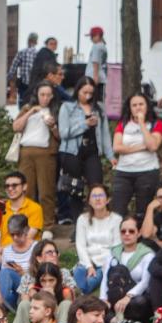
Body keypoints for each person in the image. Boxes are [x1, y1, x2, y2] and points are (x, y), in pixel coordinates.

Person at [58, 76, 113, 221]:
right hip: (72, 152)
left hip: (92, 152)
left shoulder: (99, 108)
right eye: (84, 92)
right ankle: (78, 224)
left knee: (97, 186)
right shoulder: (67, 107)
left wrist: (111, 156)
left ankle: (97, 219)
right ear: (77, 91)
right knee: (76, 190)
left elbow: (105, 134)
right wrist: (85, 124)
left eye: (91, 93)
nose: (88, 96)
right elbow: (64, 133)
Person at [12, 81, 60, 231]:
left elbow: (60, 137)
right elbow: (16, 127)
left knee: (46, 191)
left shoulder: (55, 110)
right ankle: (26, 225)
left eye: (48, 95)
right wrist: (31, 112)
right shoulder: (27, 108)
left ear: (52, 96)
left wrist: (52, 126)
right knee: (27, 190)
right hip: (26, 152)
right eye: (42, 95)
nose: (45, 98)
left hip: (46, 153)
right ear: (37, 95)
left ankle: (47, 227)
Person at [111, 92, 162, 219]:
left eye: (141, 104)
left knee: (143, 212)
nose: (138, 107)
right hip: (123, 171)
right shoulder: (123, 124)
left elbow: (152, 146)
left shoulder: (157, 124)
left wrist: (141, 123)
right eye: (134, 105)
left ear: (147, 106)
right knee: (117, 211)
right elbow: (117, 147)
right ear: (129, 108)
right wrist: (141, 147)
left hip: (147, 171)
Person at [100, 215, 155, 323]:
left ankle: (111, 319)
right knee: (93, 303)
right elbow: (105, 278)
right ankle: (118, 321)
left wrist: (127, 297)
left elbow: (145, 282)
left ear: (138, 233)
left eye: (131, 231)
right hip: (114, 297)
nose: (127, 234)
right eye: (123, 231)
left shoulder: (147, 254)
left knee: (140, 303)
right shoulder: (113, 253)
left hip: (134, 299)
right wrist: (103, 299)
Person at [72, 184, 122, 295]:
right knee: (79, 271)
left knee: (90, 282)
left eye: (101, 195)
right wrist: (89, 266)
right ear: (89, 201)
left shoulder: (116, 219)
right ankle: (78, 285)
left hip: (105, 264)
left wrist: (107, 265)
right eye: (94, 196)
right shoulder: (82, 219)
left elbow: (117, 246)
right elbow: (80, 245)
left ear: (108, 199)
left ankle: (80, 290)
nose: (98, 198)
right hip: (86, 262)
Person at [0, 215, 35, 310]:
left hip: (32, 287)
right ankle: (0, 306)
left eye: (18, 234)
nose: (15, 238)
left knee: (6, 272)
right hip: (15, 292)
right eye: (12, 235)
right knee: (5, 272)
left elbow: (41, 275)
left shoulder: (36, 248)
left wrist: (22, 273)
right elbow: (4, 280)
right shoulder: (7, 250)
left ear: (26, 230)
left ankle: (0, 307)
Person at [0, 171, 43, 246]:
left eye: (14, 185)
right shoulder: (1, 207)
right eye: (7, 186)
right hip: (2, 253)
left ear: (24, 186)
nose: (10, 188)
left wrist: (3, 251)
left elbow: (28, 238)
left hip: (26, 253)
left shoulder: (35, 208)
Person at [7, 32, 39, 107]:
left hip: (23, 84)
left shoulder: (22, 52)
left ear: (29, 41)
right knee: (33, 103)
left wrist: (8, 79)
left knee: (23, 104)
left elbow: (13, 68)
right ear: (36, 41)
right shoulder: (38, 53)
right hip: (34, 83)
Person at [85, 26, 107, 99]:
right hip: (100, 76)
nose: (91, 38)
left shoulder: (96, 47)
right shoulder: (103, 46)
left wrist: (95, 76)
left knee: (93, 98)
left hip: (93, 77)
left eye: (92, 36)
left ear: (98, 36)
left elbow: (95, 62)